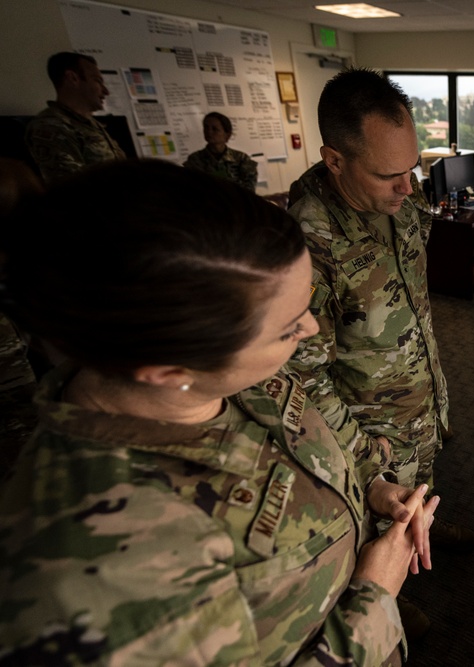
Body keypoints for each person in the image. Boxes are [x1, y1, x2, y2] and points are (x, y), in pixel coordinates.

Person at [0, 160, 437, 665]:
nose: (312, 332)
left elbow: (304, 433)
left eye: (306, 307)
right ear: (166, 370)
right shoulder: (94, 576)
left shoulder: (226, 367)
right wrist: (374, 598)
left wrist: (369, 484)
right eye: (287, 329)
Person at [286, 68, 472, 549]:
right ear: (335, 160)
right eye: (389, 175)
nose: (408, 187)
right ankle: (379, 591)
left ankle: (421, 526)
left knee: (422, 491)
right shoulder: (308, 242)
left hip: (419, 401)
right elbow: (304, 375)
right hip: (368, 430)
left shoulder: (401, 204)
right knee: (371, 527)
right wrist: (365, 458)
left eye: (411, 168)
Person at [24, 52, 125, 184]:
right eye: (98, 81)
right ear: (73, 78)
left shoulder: (91, 124)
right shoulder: (50, 126)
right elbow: (72, 188)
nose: (106, 91)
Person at [184, 112, 258, 191]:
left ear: (227, 135)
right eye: (206, 127)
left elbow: (249, 190)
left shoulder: (241, 159)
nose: (209, 132)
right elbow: (191, 188)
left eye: (215, 129)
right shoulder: (195, 159)